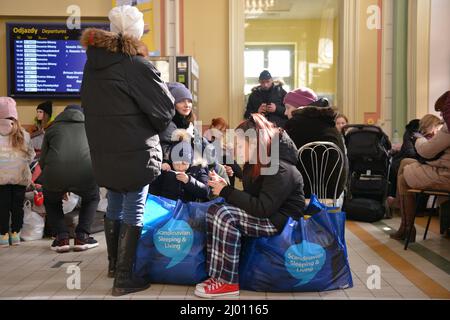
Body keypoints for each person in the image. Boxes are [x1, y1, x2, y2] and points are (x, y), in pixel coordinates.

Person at [80, 5, 175, 296]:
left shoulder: (91, 65)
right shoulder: (136, 65)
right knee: (134, 207)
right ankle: (125, 277)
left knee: (115, 205)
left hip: (103, 150)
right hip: (135, 150)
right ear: (137, 33)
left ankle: (112, 265)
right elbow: (165, 109)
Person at [195, 113, 305, 298]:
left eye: (238, 144)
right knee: (216, 209)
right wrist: (226, 187)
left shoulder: (280, 167)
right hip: (267, 215)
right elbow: (252, 200)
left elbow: (263, 208)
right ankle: (217, 276)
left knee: (225, 214)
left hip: (281, 222)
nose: (234, 148)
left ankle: (228, 282)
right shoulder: (254, 163)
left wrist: (226, 191)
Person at [39, 105, 100, 253]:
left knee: (52, 200)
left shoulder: (52, 129)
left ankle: (61, 238)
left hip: (55, 174)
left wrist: (58, 184)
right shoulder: (92, 128)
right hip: (86, 173)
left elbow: (43, 160)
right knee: (92, 197)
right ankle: (82, 236)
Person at [390, 92, 450, 242]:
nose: (442, 116)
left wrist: (419, 140)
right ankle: (405, 226)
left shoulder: (447, 128)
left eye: (443, 112)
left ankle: (407, 228)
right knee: (405, 164)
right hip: (443, 169)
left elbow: (427, 151)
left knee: (404, 175)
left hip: (445, 175)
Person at [283, 87, 347, 200]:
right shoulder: (331, 126)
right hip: (333, 192)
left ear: (300, 108)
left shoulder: (293, 126)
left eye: (288, 108)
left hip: (303, 193)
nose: (285, 112)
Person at [160, 83, 230, 184]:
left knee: (221, 168)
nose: (187, 105)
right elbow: (168, 152)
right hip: (183, 164)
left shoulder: (188, 123)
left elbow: (203, 145)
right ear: (173, 104)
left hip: (196, 160)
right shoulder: (169, 124)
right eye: (181, 101)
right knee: (220, 171)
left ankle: (225, 197)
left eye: (189, 101)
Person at [0, 97, 35, 247]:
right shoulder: (24, 134)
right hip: (20, 178)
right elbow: (31, 155)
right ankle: (15, 234)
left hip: (1, 179)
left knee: (2, 206)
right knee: (17, 207)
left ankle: (2, 236)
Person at [150, 131, 209, 202]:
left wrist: (189, 181)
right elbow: (152, 189)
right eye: (177, 164)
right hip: (165, 207)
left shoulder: (198, 169)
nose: (180, 167)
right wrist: (159, 169)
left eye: (184, 163)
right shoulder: (166, 167)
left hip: (188, 208)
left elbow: (205, 192)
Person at [204, 117, 243, 187]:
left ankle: (242, 176)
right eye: (219, 130)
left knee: (230, 167)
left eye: (223, 131)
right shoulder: (205, 141)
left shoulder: (220, 143)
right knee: (228, 161)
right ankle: (243, 176)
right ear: (212, 127)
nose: (221, 133)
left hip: (222, 170)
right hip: (212, 171)